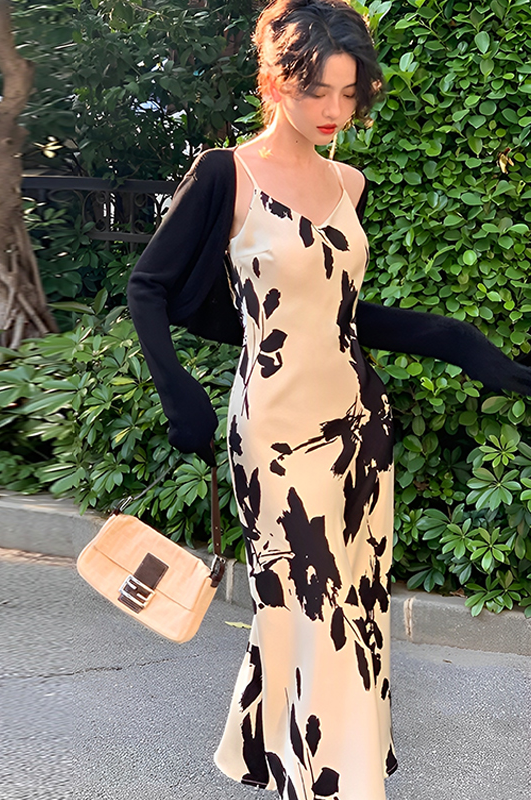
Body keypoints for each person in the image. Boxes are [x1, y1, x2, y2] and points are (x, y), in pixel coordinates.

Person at [126, 1, 531, 799]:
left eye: (350, 93)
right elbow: (149, 287)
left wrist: (459, 342)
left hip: (356, 427)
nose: (335, 111)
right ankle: (331, 784)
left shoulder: (350, 183)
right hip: (274, 432)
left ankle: (303, 760)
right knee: (308, 605)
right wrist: (180, 396)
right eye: (317, 91)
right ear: (275, 81)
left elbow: (336, 312)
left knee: (352, 605)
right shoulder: (225, 174)